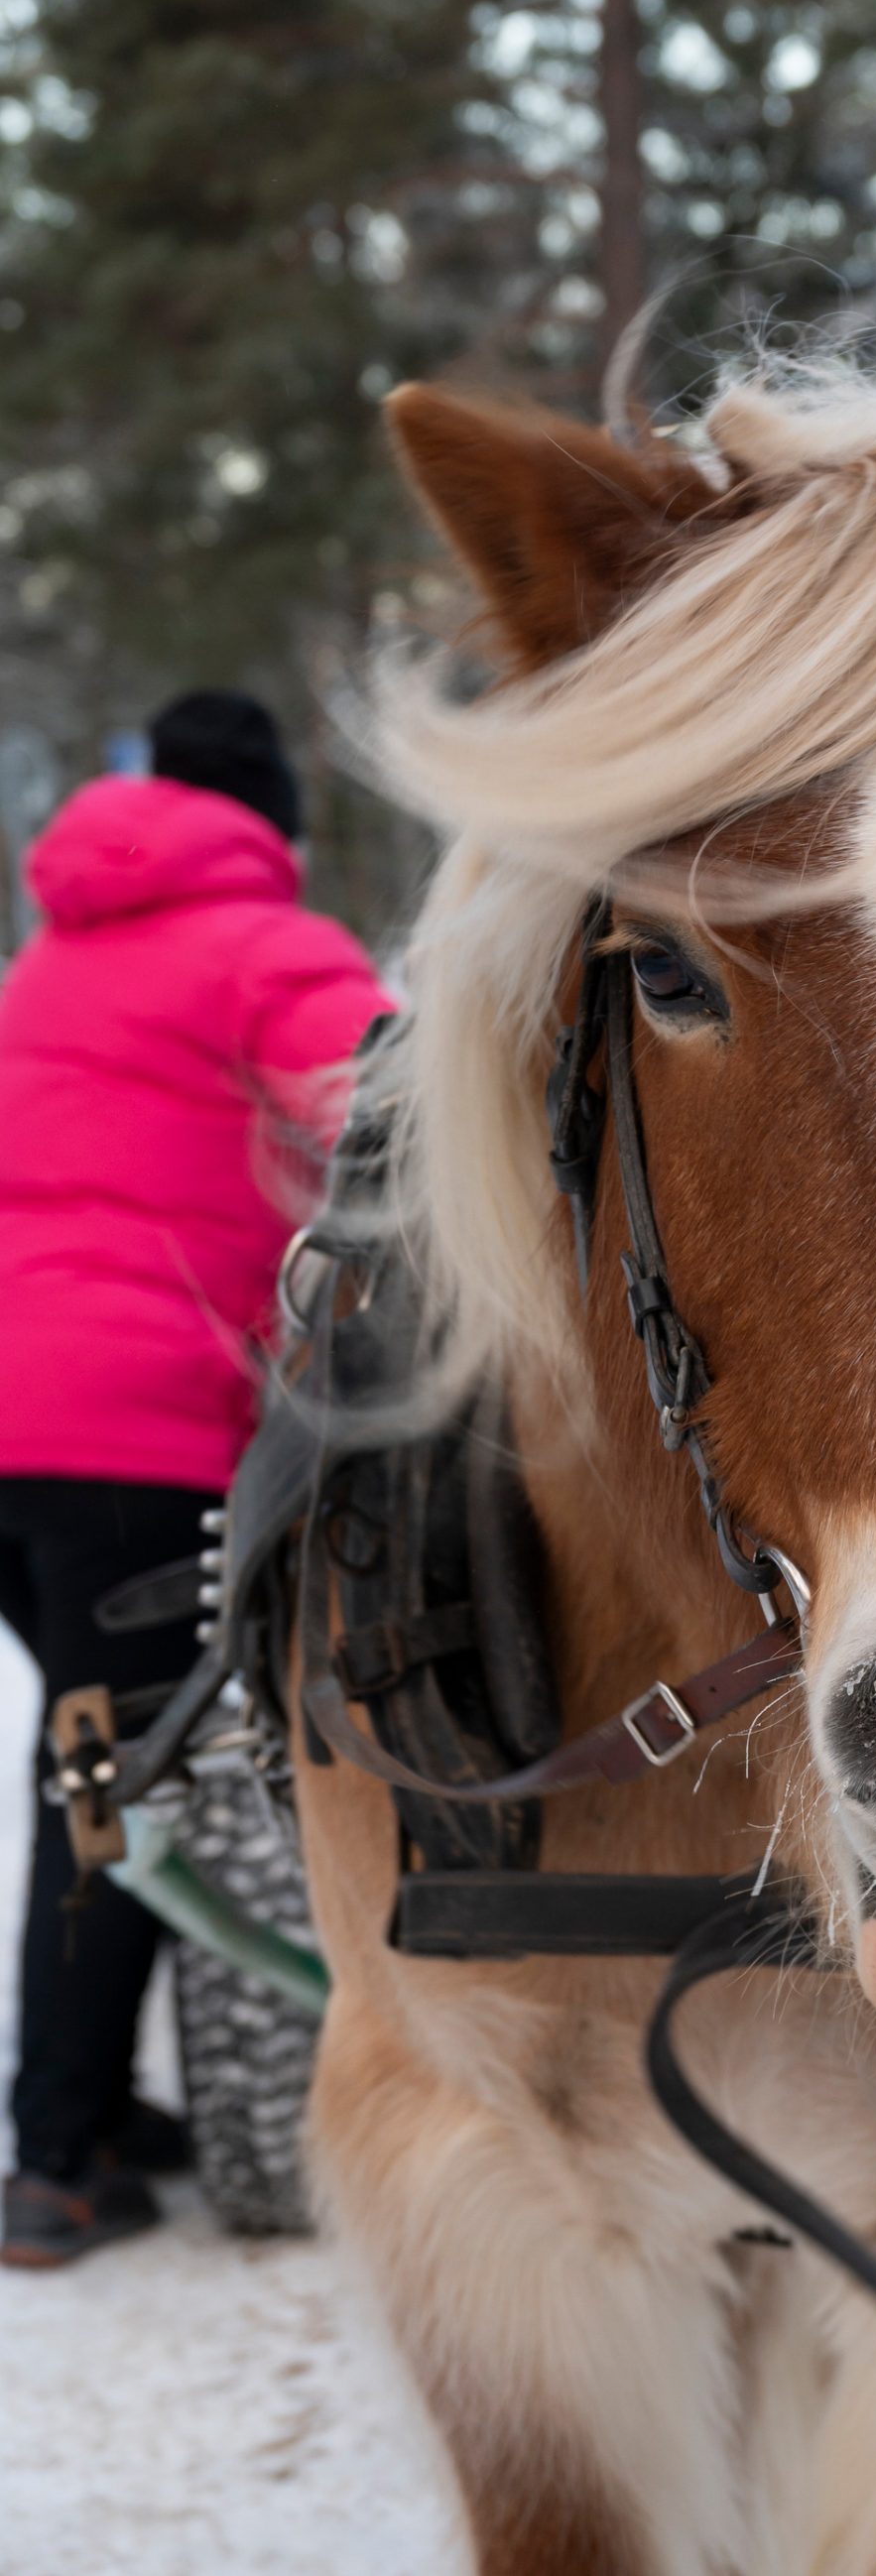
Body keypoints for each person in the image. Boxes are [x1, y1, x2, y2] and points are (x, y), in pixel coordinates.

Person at [0, 692, 388, 2266]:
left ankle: (91, 2107)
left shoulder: (47, 959)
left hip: (16, 1430)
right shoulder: (266, 946)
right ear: (275, 819)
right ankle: (55, 2151)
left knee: (109, 1751)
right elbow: (397, 1129)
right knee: (119, 1776)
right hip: (138, 1431)